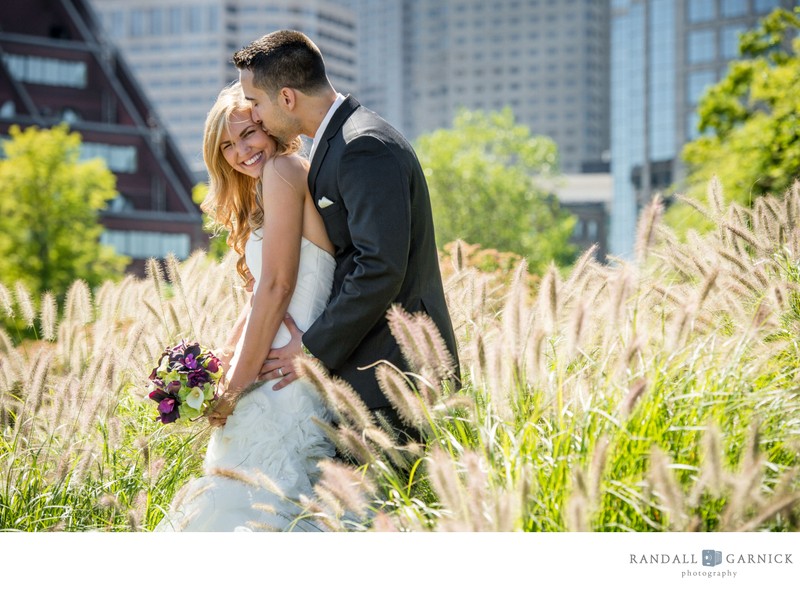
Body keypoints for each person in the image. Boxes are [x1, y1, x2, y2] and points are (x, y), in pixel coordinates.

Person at [233, 30, 460, 438]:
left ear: (286, 98)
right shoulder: (338, 144)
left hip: (393, 371)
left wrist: (311, 348)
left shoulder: (362, 146)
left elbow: (379, 266)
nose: (255, 116)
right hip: (367, 375)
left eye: (256, 103)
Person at [155, 82, 337, 531]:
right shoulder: (271, 186)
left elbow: (277, 288)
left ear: (271, 127)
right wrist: (216, 368)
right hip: (269, 366)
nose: (241, 151)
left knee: (257, 507)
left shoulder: (283, 170)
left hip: (283, 376)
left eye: (248, 134)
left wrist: (231, 392)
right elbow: (258, 295)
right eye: (227, 146)